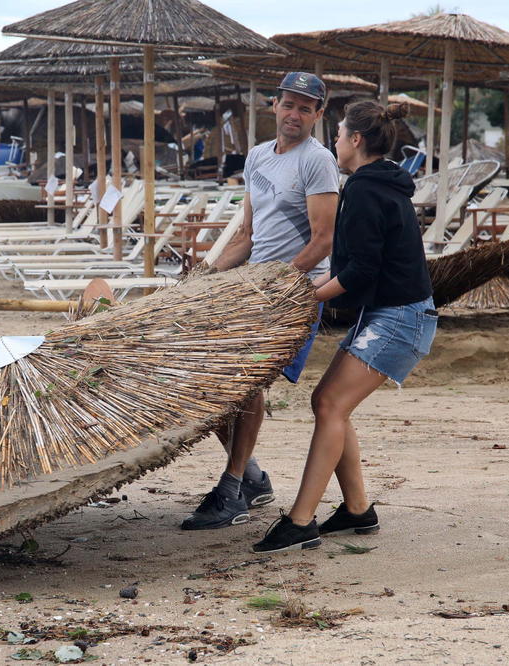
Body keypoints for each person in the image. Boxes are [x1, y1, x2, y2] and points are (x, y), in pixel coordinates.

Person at [252, 100, 437, 554]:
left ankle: (300, 520)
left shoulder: (364, 191)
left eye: (337, 134)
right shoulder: (376, 184)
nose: (333, 142)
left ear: (356, 141)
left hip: (400, 319)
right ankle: (357, 509)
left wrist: (304, 296)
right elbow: (353, 266)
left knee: (330, 403)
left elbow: (359, 273)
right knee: (329, 403)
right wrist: (309, 285)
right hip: (389, 314)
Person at [181, 72, 340, 531]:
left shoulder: (318, 162)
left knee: (247, 381)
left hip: (293, 292)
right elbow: (248, 236)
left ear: (318, 115)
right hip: (251, 286)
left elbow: (322, 241)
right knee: (209, 377)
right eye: (288, 105)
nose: (294, 115)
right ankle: (251, 477)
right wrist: (208, 276)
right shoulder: (256, 157)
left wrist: (275, 284)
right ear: (274, 105)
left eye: (305, 109)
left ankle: (232, 489)